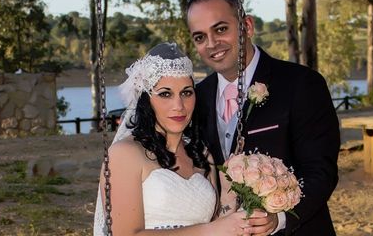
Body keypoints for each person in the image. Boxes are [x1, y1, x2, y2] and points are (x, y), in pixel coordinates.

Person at [187, 0, 341, 236]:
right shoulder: (198, 97)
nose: (212, 44)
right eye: (200, 37)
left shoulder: (302, 84)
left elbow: (321, 171)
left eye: (221, 29)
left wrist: (279, 218)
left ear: (247, 26)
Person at [93, 42, 271, 235]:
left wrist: (229, 196)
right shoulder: (124, 154)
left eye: (186, 92)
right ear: (145, 99)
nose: (179, 105)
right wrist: (209, 231)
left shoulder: (201, 155)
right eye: (165, 94)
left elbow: (217, 226)